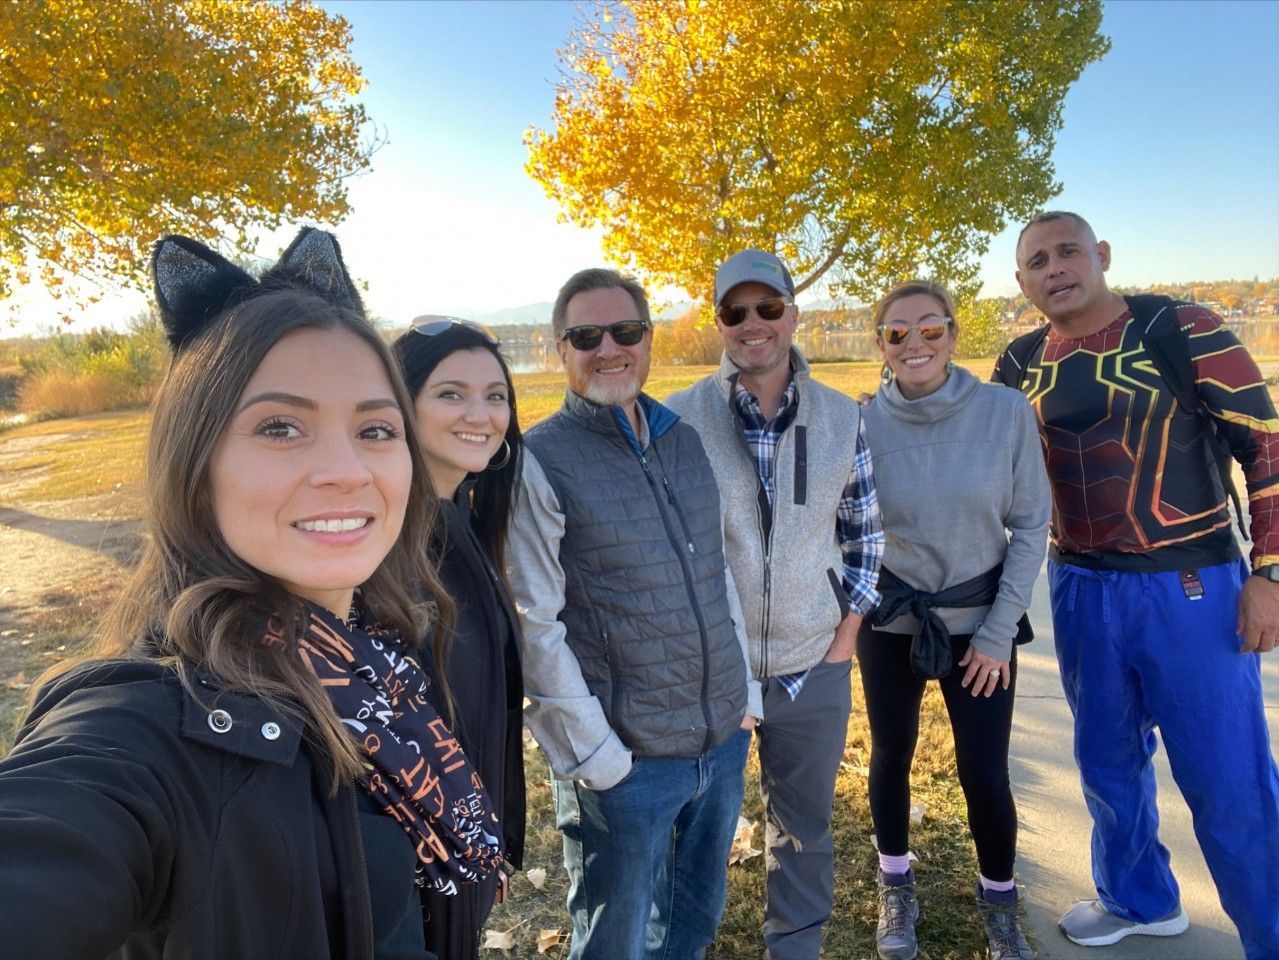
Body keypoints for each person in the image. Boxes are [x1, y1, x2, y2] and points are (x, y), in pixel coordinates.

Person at [0, 229, 502, 958]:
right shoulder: (151, 725)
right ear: (195, 466)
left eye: (375, 428)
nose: (347, 470)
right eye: (279, 426)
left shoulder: (378, 654)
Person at [995, 210, 1279, 959]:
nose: (1053, 268)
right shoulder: (1020, 362)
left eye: (1066, 252)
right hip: (1081, 585)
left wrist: (1270, 572)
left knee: (1228, 779)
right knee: (1106, 761)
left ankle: (1270, 933)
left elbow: (1266, 449)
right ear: (1020, 281)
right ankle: (1138, 899)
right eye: (1036, 262)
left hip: (1189, 584)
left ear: (1101, 255)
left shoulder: (1178, 327)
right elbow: (990, 472)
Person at [506, 267, 760, 960]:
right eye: (585, 335)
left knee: (691, 927)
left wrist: (747, 698)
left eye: (624, 331)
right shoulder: (540, 460)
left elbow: (717, 571)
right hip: (626, 760)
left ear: (648, 339)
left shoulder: (682, 439)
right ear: (560, 350)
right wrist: (595, 754)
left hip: (720, 739)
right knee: (613, 942)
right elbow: (533, 621)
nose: (607, 348)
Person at [665, 249, 883, 960]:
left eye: (766, 308)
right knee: (691, 828)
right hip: (709, 671)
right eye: (735, 311)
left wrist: (843, 638)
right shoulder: (676, 417)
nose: (752, 324)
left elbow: (866, 535)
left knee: (802, 826)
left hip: (811, 662)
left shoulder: (842, 416)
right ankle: (678, 943)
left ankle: (794, 945)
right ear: (719, 323)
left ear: (791, 314)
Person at [854, 280, 1049, 960]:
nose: (914, 344)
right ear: (879, 344)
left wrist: (997, 633)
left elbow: (1029, 525)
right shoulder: (860, 424)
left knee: (983, 771)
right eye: (897, 333)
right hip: (892, 620)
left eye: (929, 330)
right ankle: (895, 884)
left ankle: (999, 898)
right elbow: (844, 531)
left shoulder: (1003, 412)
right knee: (890, 755)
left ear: (953, 334)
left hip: (980, 628)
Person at [392, 317, 527, 960]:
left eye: (495, 395)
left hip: (460, 851)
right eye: (450, 393)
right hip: (412, 876)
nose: (481, 413)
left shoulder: (462, 519)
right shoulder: (386, 543)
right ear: (400, 403)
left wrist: (488, 837)